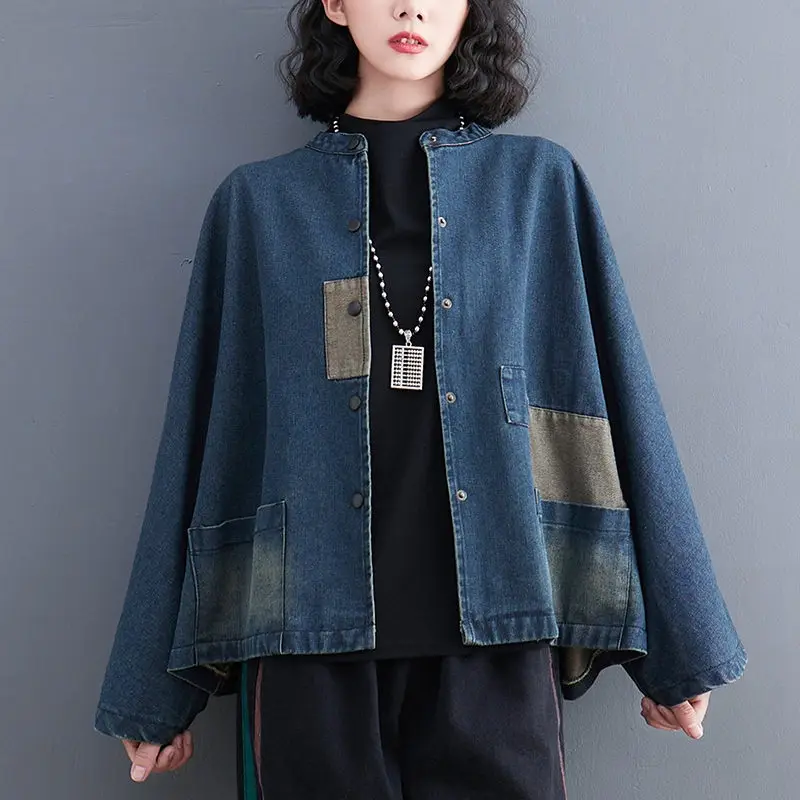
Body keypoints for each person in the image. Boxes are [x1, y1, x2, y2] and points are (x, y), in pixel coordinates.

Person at [93, 0, 747, 796]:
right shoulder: (259, 205)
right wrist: (152, 692)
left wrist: (679, 647)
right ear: (337, 5)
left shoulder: (536, 188)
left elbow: (612, 397)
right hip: (305, 639)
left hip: (501, 629)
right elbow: (207, 430)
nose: (411, 6)